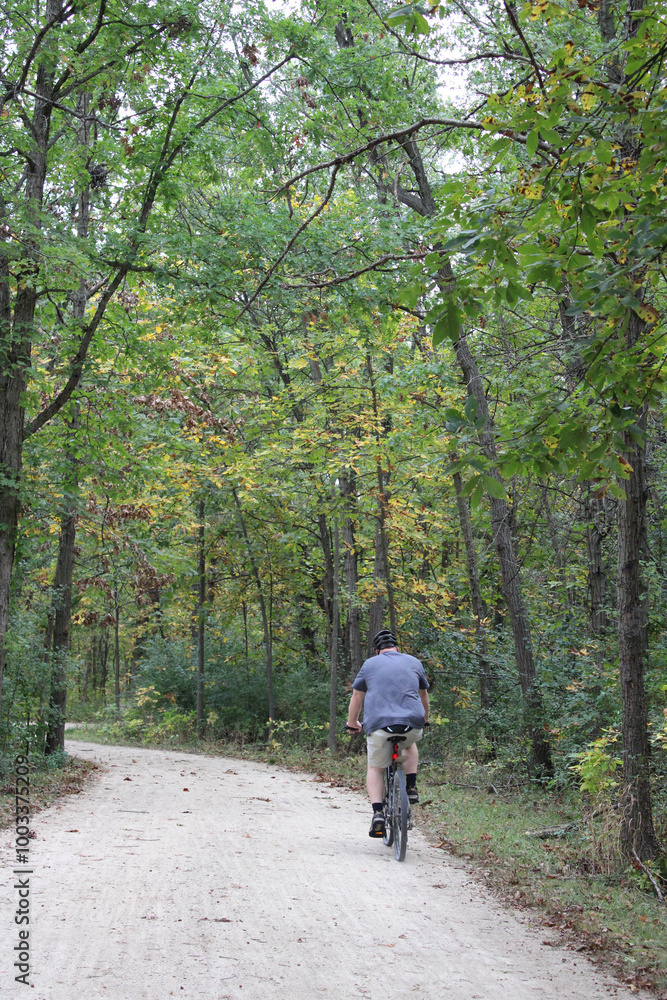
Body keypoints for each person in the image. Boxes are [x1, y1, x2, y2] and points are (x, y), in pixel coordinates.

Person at [346, 629, 429, 838]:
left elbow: (357, 695)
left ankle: (377, 813)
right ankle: (411, 786)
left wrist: (352, 722)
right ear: (397, 649)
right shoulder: (413, 662)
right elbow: (423, 694)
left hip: (380, 726)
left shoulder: (370, 664)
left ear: (377, 651)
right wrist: (425, 718)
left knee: (375, 768)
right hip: (411, 722)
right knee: (409, 744)